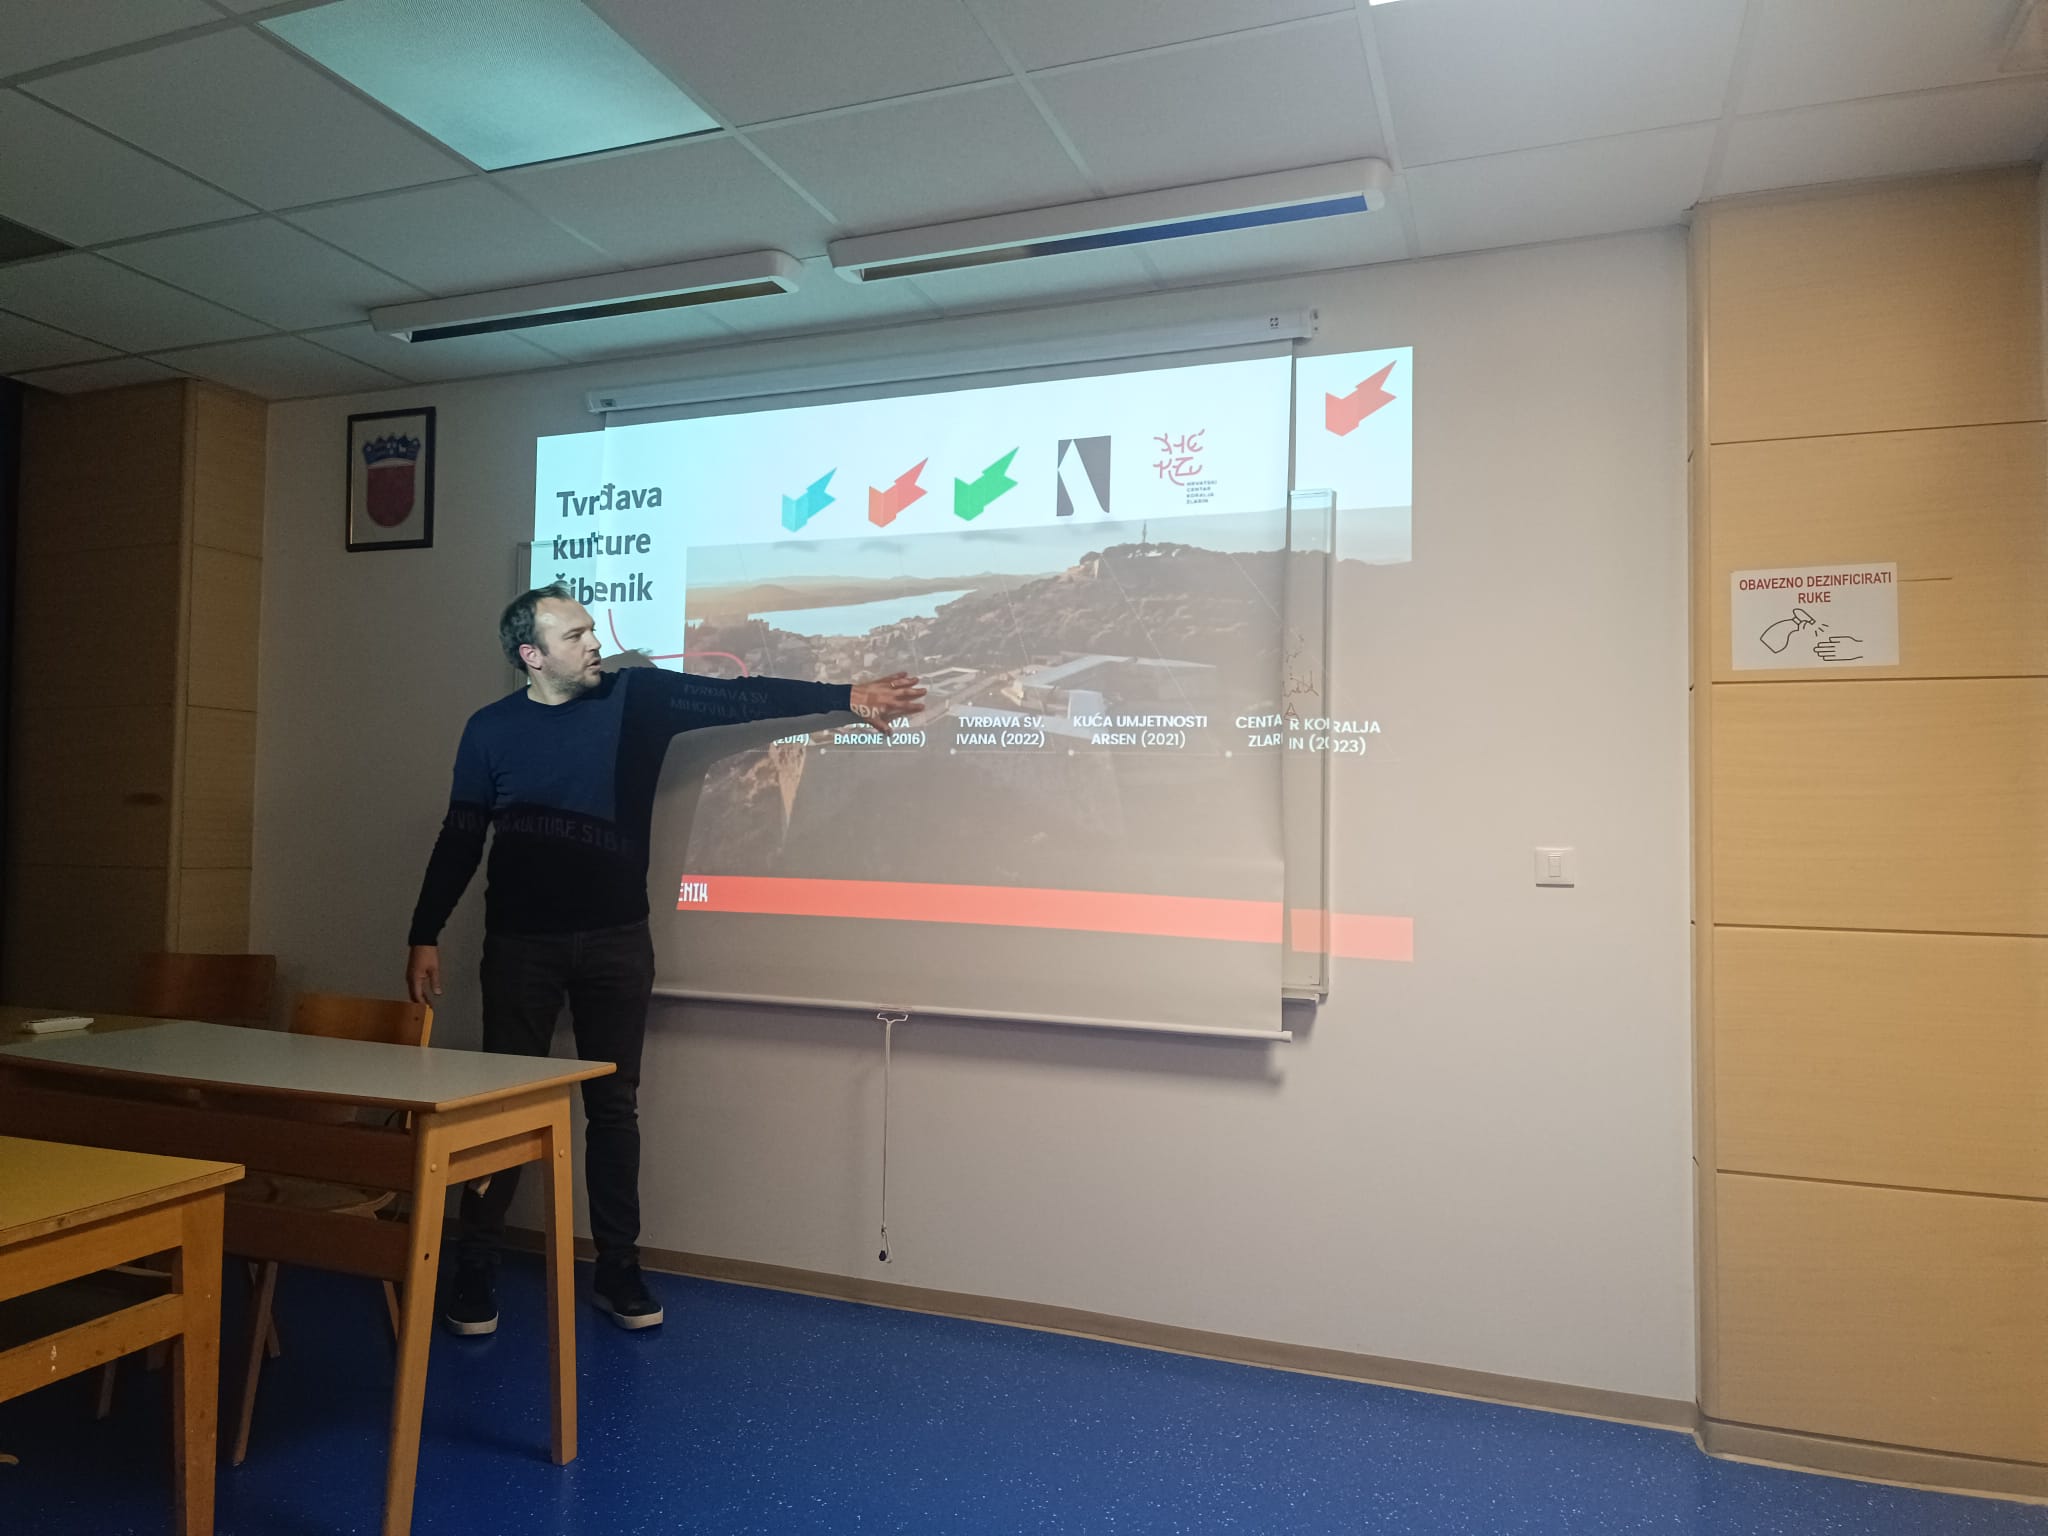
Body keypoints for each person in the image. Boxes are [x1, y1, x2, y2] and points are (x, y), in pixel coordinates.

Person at [406, 582, 923, 1334]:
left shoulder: (637, 699)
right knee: (502, 1107)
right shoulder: (490, 729)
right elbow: (460, 836)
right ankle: (476, 1267)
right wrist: (424, 932)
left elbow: (743, 699)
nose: (594, 643)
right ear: (531, 655)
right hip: (520, 947)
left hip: (617, 941)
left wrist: (847, 695)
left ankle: (619, 1268)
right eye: (575, 635)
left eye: (591, 629)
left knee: (614, 1108)